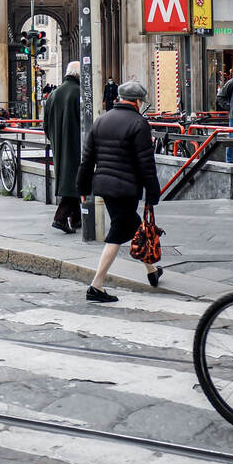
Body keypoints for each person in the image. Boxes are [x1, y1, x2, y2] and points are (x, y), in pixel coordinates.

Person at [77, 80, 164, 301]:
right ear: (137, 101)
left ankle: (152, 271)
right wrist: (152, 194)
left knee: (135, 226)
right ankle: (96, 285)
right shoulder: (139, 123)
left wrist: (83, 187)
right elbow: (146, 163)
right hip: (126, 188)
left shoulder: (101, 121)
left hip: (104, 186)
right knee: (118, 231)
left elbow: (87, 159)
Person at [44, 62, 83, 234]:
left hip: (58, 144)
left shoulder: (54, 94)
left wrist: (54, 138)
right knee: (75, 180)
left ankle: (76, 219)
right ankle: (60, 217)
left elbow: (45, 124)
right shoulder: (79, 93)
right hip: (76, 144)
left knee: (69, 178)